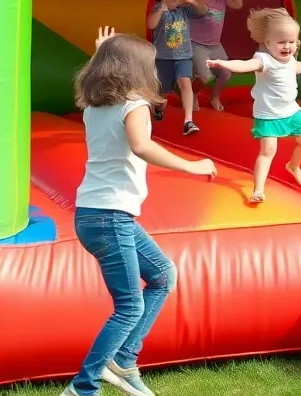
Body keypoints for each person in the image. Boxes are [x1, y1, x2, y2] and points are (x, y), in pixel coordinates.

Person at [62, 26, 217, 396]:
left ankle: (125, 361)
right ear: (138, 70)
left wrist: (102, 51)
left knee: (163, 274)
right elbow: (142, 146)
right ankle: (83, 387)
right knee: (130, 306)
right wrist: (193, 166)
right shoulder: (134, 104)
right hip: (110, 217)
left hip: (97, 215)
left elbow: (90, 90)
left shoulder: (94, 106)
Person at [207, 8, 301, 204]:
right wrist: (223, 63)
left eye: (291, 42)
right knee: (267, 151)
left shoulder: (290, 59)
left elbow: (297, 67)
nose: (287, 46)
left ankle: (293, 166)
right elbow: (245, 65)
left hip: (291, 110)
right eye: (281, 42)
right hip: (269, 114)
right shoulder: (263, 60)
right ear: (267, 43)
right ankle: (258, 190)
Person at [146, 0, 207, 135]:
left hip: (184, 56)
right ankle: (158, 105)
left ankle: (188, 121)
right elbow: (151, 24)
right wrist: (161, 8)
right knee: (161, 90)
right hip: (163, 58)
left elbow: (202, 12)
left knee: (185, 83)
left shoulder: (185, 10)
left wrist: (193, 1)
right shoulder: (159, 9)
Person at [189, 0, 243, 112]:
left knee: (226, 73)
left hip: (215, 45)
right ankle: (191, 92)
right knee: (205, 76)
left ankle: (214, 96)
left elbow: (238, 4)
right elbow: (199, 10)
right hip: (197, 45)